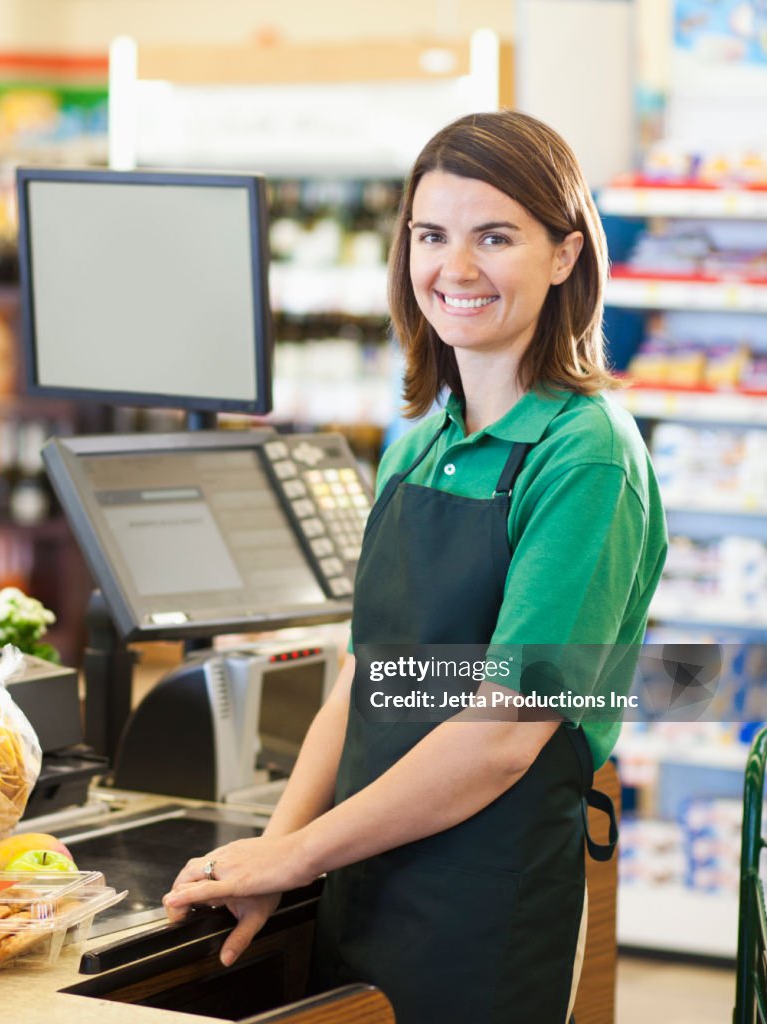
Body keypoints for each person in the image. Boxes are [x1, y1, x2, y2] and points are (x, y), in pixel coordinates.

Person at [163, 110, 668, 1024]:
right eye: (432, 236)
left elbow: (505, 733)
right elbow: (364, 681)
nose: (456, 269)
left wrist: (298, 853)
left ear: (564, 255)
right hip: (363, 873)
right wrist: (274, 855)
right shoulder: (418, 442)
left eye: (496, 237)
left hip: (487, 897)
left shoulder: (584, 455)